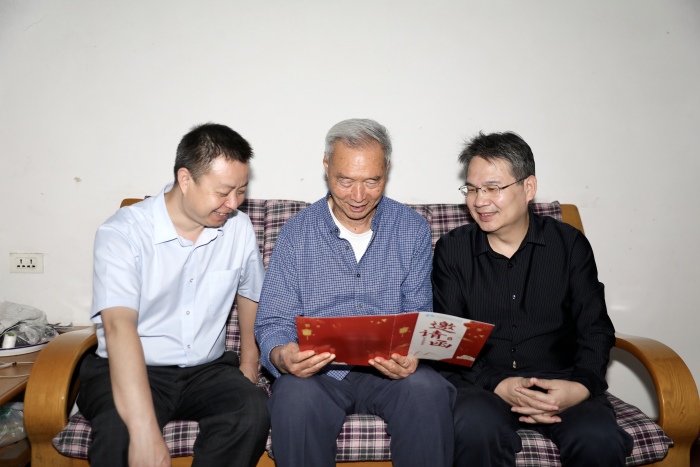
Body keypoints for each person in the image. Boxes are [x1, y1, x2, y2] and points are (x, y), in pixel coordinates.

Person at [254, 118, 455, 467]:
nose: (358, 196)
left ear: (387, 169)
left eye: (372, 181)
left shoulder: (411, 228)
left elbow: (418, 315)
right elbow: (273, 321)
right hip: (318, 376)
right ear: (326, 166)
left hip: (389, 374)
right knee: (294, 398)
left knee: (428, 390)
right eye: (345, 181)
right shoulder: (297, 233)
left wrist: (413, 354)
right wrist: (282, 355)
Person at [432, 131, 633, 466]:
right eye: (472, 189)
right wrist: (498, 383)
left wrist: (581, 387)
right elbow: (450, 339)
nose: (479, 201)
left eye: (492, 188)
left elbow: (595, 328)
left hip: (561, 378)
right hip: (482, 384)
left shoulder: (568, 245)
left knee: (598, 438)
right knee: (474, 429)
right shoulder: (453, 250)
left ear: (528, 188)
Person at [77, 123, 270, 467]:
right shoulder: (123, 233)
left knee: (250, 411)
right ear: (185, 179)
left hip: (206, 371)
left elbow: (250, 293)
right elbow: (119, 326)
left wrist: (248, 363)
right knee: (118, 434)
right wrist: (144, 433)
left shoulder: (237, 228)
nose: (233, 203)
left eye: (241, 191)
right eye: (223, 191)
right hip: (132, 367)